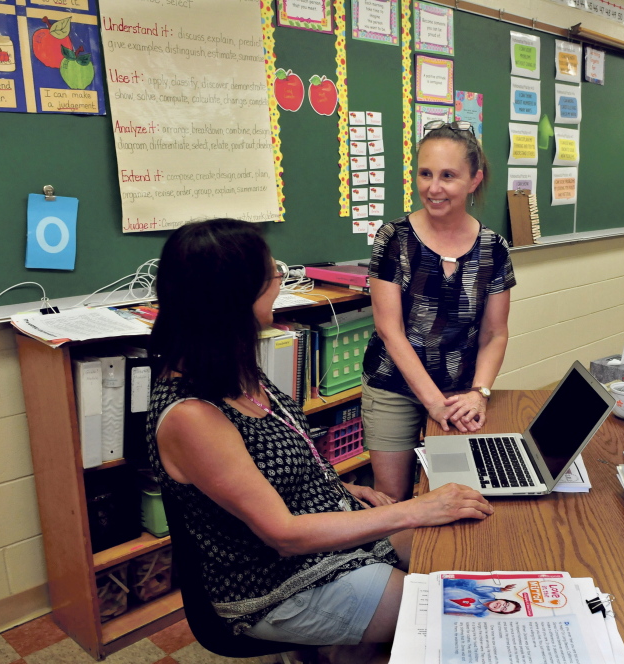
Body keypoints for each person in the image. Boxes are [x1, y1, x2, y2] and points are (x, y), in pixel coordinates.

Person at [147, 219, 494, 660]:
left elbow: (265, 469)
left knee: (461, 540)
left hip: (325, 534)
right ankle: (342, 647)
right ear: (233, 298)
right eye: (272, 275)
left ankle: (345, 649)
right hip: (275, 583)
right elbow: (284, 535)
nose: (280, 282)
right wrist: (412, 509)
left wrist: (343, 488)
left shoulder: (228, 368)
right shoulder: (192, 417)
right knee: (450, 612)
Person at [363, 120, 516, 501]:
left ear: (474, 179)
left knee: (457, 492)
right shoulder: (393, 238)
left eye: (448, 176)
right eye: (425, 173)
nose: (433, 188)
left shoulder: (493, 249)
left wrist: (479, 393)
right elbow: (390, 331)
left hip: (459, 391)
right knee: (393, 498)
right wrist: (432, 402)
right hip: (393, 386)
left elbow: (495, 333)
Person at [442, 578, 521, 617]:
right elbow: (478, 589)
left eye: (503, 609)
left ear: (498, 612)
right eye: (505, 604)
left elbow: (453, 610)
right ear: (502, 599)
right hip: (444, 589)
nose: (501, 606)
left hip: (439, 602)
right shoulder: (489, 595)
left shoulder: (478, 611)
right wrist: (500, 589)